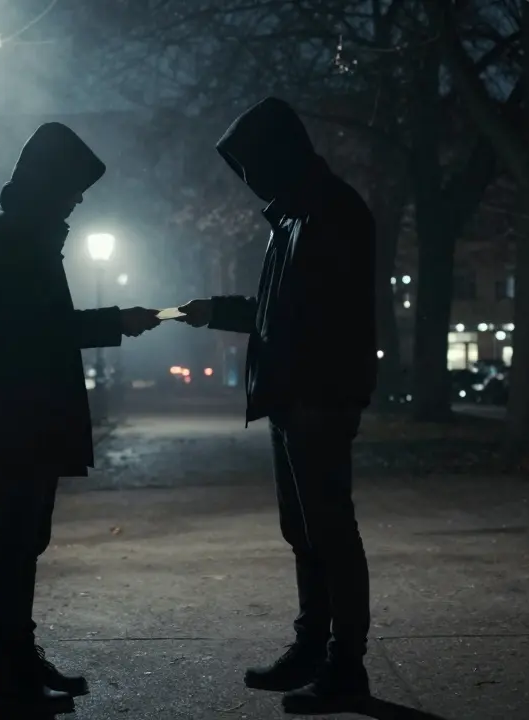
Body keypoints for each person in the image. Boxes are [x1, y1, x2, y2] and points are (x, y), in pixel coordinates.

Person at [177, 97, 378, 715]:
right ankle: (314, 649)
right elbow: (280, 311)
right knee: (307, 530)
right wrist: (221, 312)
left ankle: (343, 663)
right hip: (297, 395)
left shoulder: (329, 214)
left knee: (328, 530)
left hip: (317, 394)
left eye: (251, 166)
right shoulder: (296, 215)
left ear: (277, 155)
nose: (248, 180)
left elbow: (323, 317)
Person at [0, 122, 162, 718]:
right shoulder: (10, 238)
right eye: (73, 191)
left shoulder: (14, 232)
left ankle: (17, 660)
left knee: (23, 541)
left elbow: (34, 326)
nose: (76, 202)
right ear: (50, 183)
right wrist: (113, 322)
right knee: (16, 543)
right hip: (20, 414)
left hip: (20, 412)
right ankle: (8, 673)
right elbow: (38, 330)